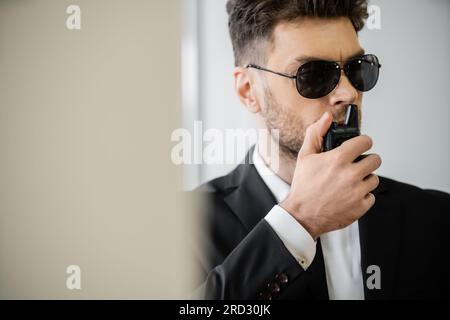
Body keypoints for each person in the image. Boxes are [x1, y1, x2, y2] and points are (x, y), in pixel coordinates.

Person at [193, 0, 450, 300]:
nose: (348, 93)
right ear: (248, 90)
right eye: (313, 74)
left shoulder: (435, 219)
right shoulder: (186, 226)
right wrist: (299, 221)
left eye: (357, 69)